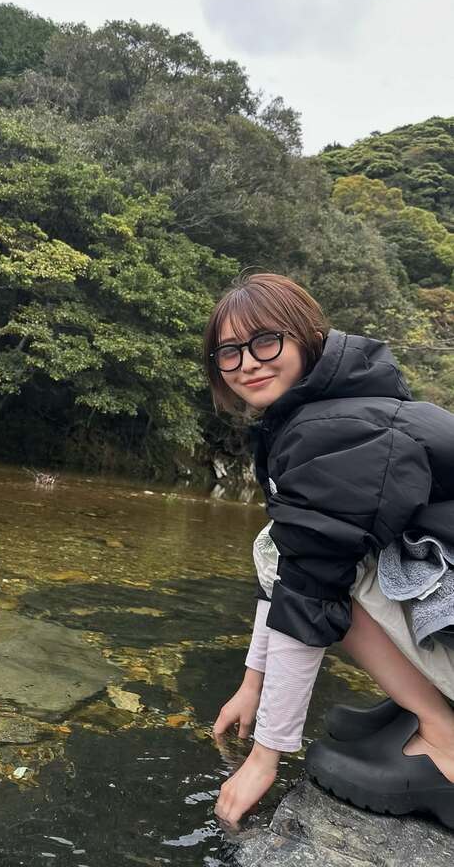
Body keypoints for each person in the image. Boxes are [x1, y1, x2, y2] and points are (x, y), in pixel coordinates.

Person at [202, 272, 454, 829]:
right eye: (229, 352)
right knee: (284, 546)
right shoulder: (336, 410)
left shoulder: (336, 430)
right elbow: (294, 556)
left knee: (307, 565)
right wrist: (251, 685)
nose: (248, 363)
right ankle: (420, 708)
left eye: (266, 341)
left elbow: (309, 584)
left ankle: (445, 740)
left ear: (307, 337)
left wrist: (265, 755)